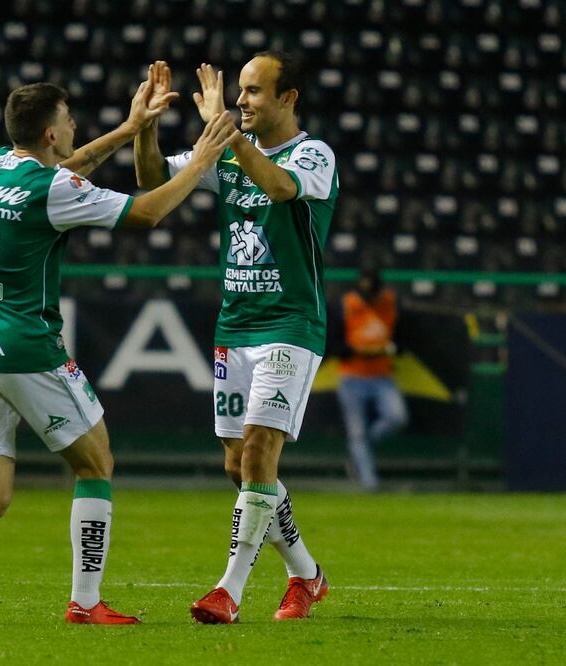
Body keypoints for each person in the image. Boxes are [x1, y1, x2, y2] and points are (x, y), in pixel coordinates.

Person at [0, 71, 240, 625]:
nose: (75, 128)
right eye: (69, 121)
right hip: (26, 351)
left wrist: (130, 129)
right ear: (51, 133)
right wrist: (200, 163)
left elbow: (65, 173)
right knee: (96, 464)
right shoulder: (52, 189)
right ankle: (85, 602)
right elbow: (146, 213)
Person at [134, 54, 338, 623]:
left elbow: (279, 187)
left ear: (288, 98)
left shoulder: (313, 155)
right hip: (236, 324)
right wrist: (146, 126)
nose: (241, 101)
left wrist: (225, 132)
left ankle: (229, 590)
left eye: (253, 91)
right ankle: (306, 575)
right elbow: (152, 179)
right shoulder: (226, 149)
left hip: (290, 324)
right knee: (239, 464)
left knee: (259, 450)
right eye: (239, 91)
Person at [334, 267, 409, 491]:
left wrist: (388, 349)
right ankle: (370, 485)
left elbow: (403, 340)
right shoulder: (347, 304)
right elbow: (336, 345)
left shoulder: (390, 303)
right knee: (356, 433)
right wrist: (360, 351)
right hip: (351, 377)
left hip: (382, 376)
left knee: (396, 418)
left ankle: (359, 453)